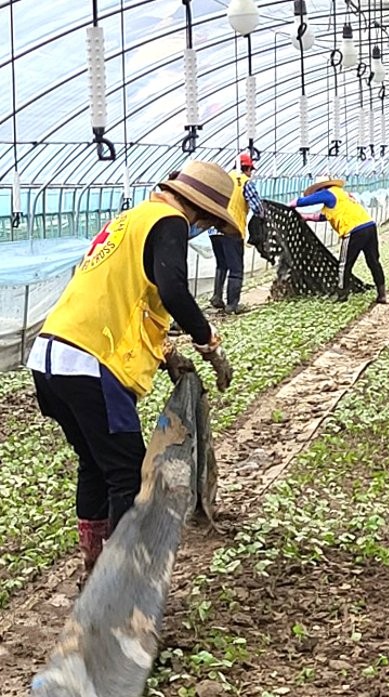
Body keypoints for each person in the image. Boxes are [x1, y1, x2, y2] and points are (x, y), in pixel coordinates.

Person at [27, 161, 236, 584]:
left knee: (95, 464)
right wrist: (208, 342)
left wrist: (167, 353)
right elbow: (173, 287)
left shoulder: (130, 220)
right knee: (126, 474)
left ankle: (94, 567)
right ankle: (117, 586)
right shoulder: (169, 219)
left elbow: (129, 300)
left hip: (50, 359)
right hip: (90, 363)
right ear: (203, 211)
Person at [290, 177, 386, 303]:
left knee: (344, 265)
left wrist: (292, 204)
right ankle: (382, 294)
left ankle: (342, 295)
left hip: (354, 231)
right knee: (373, 261)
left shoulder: (328, 193)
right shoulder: (342, 195)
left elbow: (306, 201)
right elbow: (325, 216)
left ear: (321, 188)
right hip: (369, 226)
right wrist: (306, 217)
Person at [209, 153, 264, 314]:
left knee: (222, 264)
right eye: (250, 170)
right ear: (246, 168)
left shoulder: (222, 180)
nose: (251, 173)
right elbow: (258, 208)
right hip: (232, 229)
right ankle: (232, 305)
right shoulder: (245, 183)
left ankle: (217, 297)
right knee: (236, 269)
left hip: (214, 230)